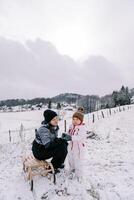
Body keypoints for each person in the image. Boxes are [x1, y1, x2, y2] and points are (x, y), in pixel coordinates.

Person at [67, 111, 86, 179]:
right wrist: (66, 136)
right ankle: (72, 170)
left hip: (78, 148)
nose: (75, 121)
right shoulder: (71, 126)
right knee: (71, 159)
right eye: (73, 119)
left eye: (77, 119)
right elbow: (69, 133)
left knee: (78, 161)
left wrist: (71, 137)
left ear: (81, 120)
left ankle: (79, 175)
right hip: (71, 146)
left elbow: (80, 137)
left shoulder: (82, 128)